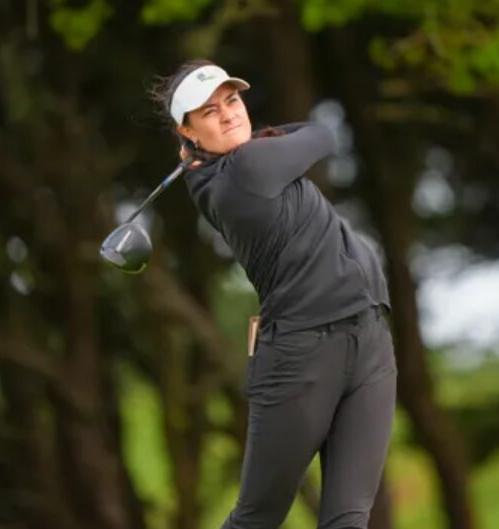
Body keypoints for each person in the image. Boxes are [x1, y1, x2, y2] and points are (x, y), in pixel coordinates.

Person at [151, 59, 397, 529]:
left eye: (232, 100)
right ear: (187, 132)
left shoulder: (224, 168)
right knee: (257, 518)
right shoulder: (247, 168)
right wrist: (269, 136)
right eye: (209, 112)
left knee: (349, 518)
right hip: (302, 354)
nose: (229, 114)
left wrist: (259, 137)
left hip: (368, 339)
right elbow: (321, 134)